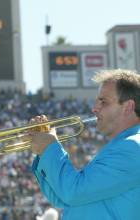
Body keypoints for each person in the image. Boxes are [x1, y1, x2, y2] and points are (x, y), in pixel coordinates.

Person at [30, 69, 140, 220]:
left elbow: (73, 192)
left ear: (128, 107)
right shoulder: (123, 146)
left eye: (104, 102)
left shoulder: (132, 148)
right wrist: (44, 152)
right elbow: (61, 199)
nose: (95, 108)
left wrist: (49, 148)